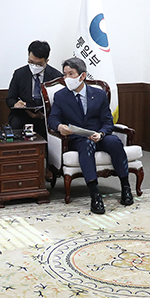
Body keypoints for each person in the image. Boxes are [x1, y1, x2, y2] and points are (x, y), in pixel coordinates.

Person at [49, 57, 133, 214]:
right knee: (86, 146)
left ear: (82, 76)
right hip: (78, 138)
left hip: (98, 135)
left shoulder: (99, 94)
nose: (67, 78)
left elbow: (108, 122)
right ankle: (95, 194)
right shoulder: (61, 96)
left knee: (114, 141)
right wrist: (60, 126)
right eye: (65, 74)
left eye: (71, 74)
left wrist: (101, 134)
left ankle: (126, 186)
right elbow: (53, 118)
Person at [6, 40, 62, 138]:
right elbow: (10, 98)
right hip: (23, 114)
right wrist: (16, 104)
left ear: (46, 61)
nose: (34, 66)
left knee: (50, 127)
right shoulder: (20, 74)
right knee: (16, 123)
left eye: (39, 64)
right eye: (31, 62)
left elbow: (61, 103)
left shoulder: (56, 77)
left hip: (46, 116)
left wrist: (44, 115)